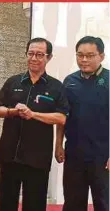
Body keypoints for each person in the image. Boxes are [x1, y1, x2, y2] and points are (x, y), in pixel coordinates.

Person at [0, 37, 69, 211]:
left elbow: (61, 118)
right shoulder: (13, 82)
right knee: (6, 203)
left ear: (48, 58)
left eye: (40, 55)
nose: (34, 58)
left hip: (38, 157)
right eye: (31, 54)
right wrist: (13, 111)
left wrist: (33, 114)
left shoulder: (57, 87)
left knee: (35, 204)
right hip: (10, 154)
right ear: (26, 54)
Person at [55, 36, 109, 211]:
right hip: (74, 153)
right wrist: (58, 145)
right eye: (80, 55)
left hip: (102, 155)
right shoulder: (69, 81)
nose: (84, 60)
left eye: (90, 55)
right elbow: (62, 116)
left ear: (101, 56)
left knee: (103, 202)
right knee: (73, 202)